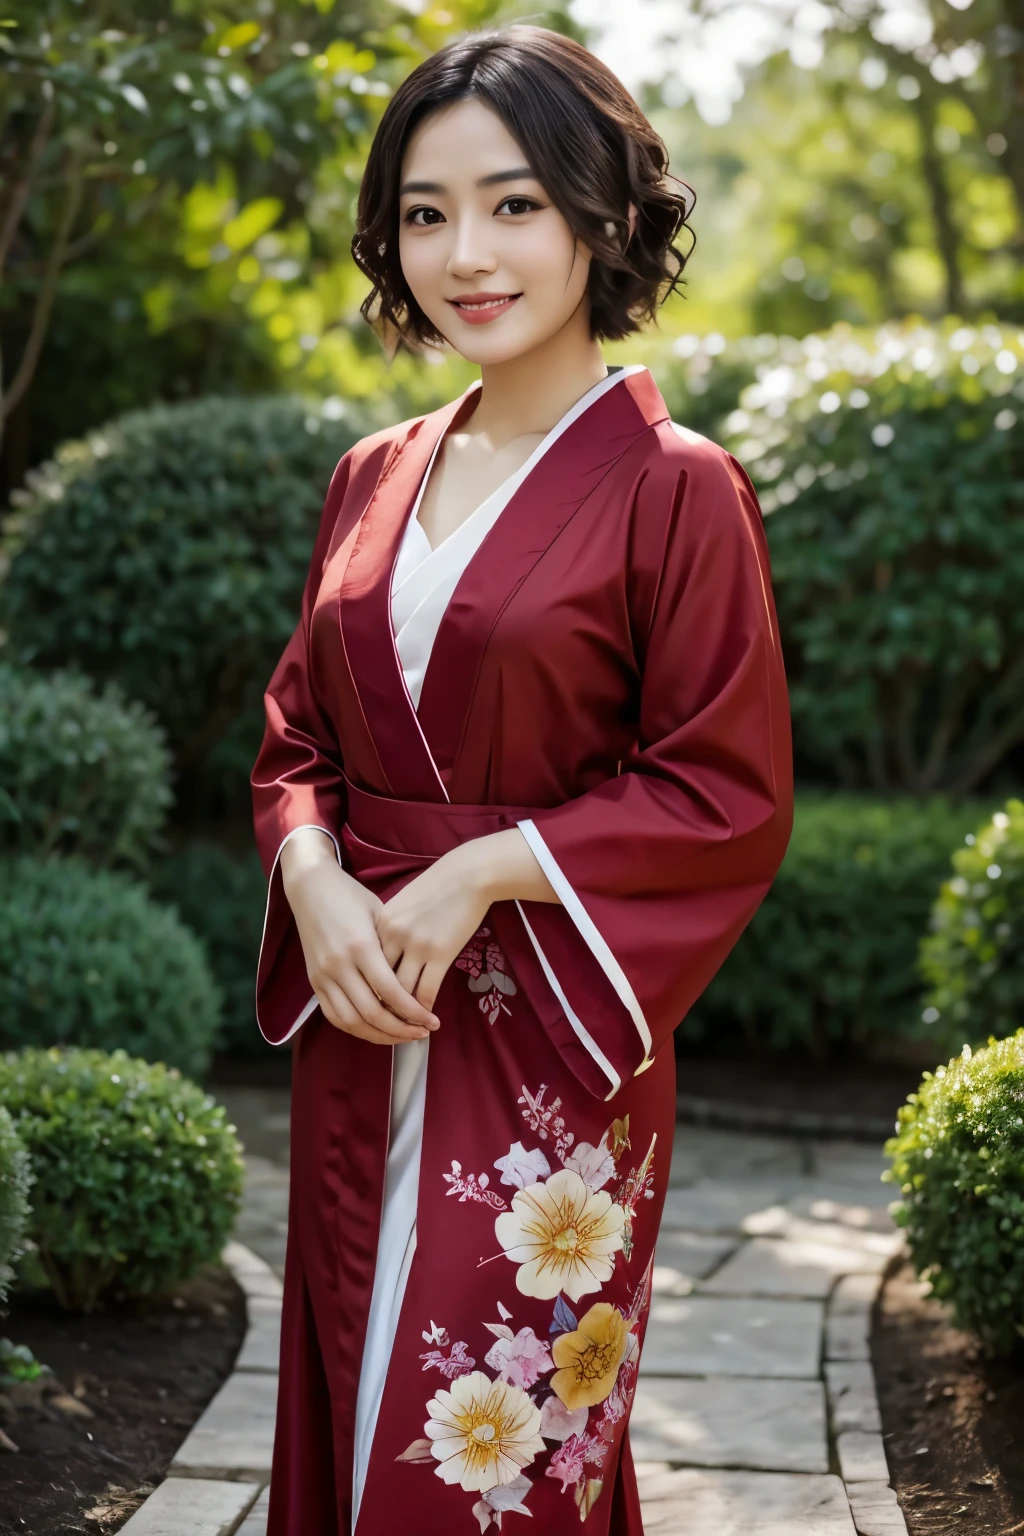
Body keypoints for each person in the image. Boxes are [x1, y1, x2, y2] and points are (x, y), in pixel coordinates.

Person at [251, 24, 792, 1536]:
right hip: (362, 1007)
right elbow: (298, 739)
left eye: (513, 204)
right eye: (426, 214)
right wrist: (315, 884)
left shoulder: (678, 487)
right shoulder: (375, 471)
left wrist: (480, 866)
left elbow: (724, 789)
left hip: (548, 1038)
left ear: (599, 218)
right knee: (352, 1405)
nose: (465, 254)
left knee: (483, 1453)